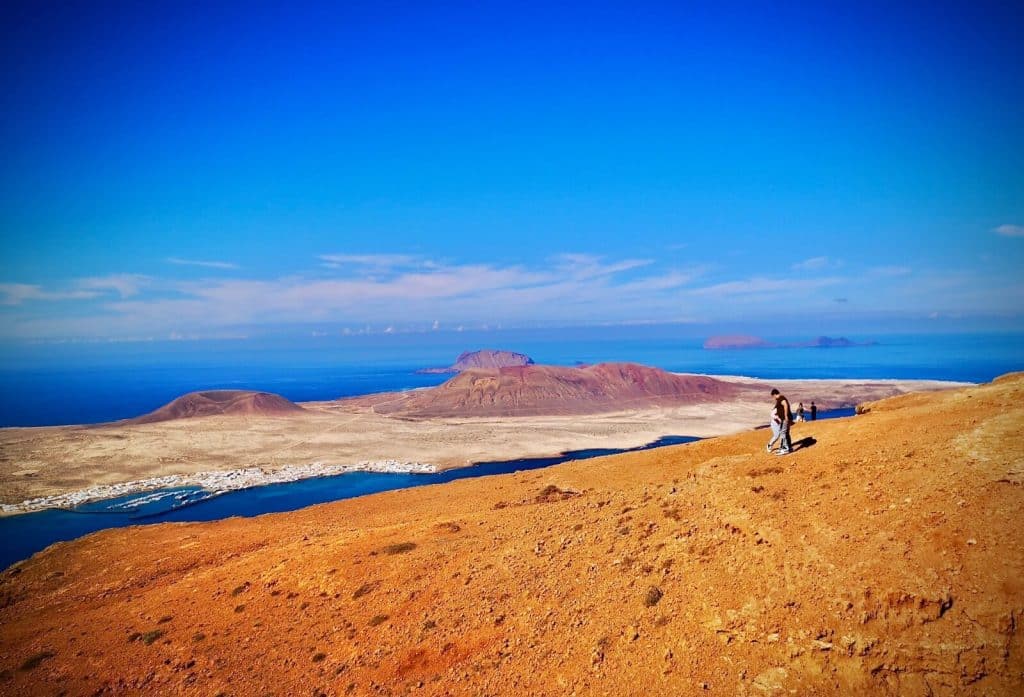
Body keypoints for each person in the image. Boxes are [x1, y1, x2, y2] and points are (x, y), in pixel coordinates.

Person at [766, 388, 792, 455]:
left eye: (773, 396)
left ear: (774, 394)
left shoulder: (781, 398)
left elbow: (785, 404)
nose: (774, 398)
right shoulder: (781, 398)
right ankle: (788, 447)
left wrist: (786, 416)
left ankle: (784, 449)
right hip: (784, 419)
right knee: (785, 433)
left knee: (783, 433)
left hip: (784, 419)